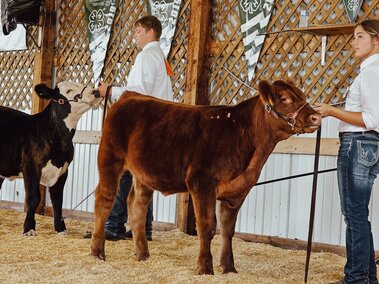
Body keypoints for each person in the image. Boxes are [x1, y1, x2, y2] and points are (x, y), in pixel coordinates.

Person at [96, 15, 173, 241]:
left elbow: (139, 91)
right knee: (143, 176)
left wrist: (110, 90)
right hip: (159, 124)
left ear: (151, 32)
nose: (134, 36)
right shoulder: (160, 57)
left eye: (138, 31)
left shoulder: (146, 56)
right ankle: (143, 229)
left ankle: (114, 225)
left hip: (145, 125)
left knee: (124, 172)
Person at [314, 19, 379, 284]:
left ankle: (356, 279)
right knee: (358, 215)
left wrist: (331, 111)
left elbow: (372, 118)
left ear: (376, 40)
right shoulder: (370, 72)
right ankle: (366, 277)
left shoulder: (371, 73)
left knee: (353, 215)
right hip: (367, 145)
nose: (354, 41)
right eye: (354, 36)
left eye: (360, 36)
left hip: (358, 144)